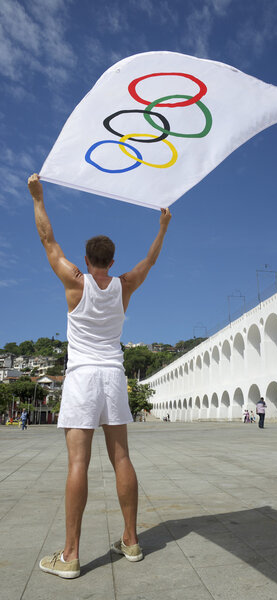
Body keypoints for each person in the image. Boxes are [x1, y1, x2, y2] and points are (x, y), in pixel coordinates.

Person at [27, 173, 171, 579]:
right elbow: (151, 260)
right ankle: (130, 540)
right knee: (121, 456)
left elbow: (47, 240)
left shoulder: (76, 283)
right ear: (111, 259)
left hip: (82, 377)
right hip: (113, 375)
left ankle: (71, 555)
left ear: (88, 261)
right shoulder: (125, 285)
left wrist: (38, 197)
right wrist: (162, 226)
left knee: (78, 463)